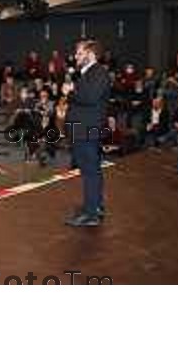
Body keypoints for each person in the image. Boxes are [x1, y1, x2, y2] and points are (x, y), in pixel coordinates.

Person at [65, 39, 111, 227]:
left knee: (90, 171)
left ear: (90, 54)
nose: (76, 56)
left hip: (86, 129)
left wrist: (70, 92)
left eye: (79, 53)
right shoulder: (89, 73)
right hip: (83, 128)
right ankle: (95, 206)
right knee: (91, 169)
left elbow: (90, 98)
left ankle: (91, 214)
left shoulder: (98, 72)